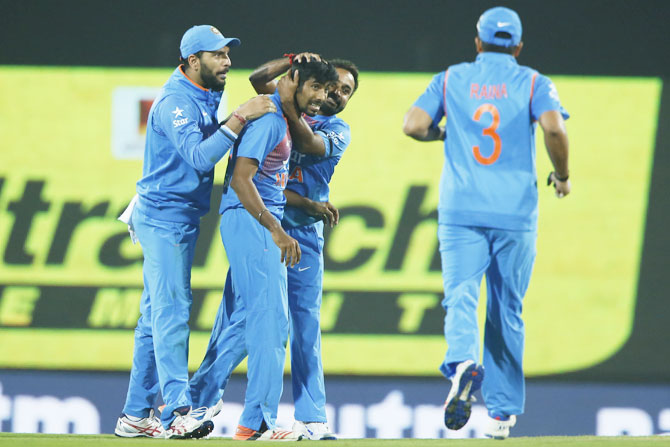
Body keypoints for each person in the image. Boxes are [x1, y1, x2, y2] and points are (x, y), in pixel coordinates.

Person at [403, 6, 570, 440]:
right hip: (515, 212)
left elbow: (413, 124)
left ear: (477, 43)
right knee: (506, 309)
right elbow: (554, 130)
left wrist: (446, 133)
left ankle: (461, 363)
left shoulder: (452, 77)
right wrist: (563, 175)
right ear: (517, 46)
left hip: (461, 210)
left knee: (460, 295)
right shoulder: (534, 81)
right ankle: (501, 415)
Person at [114, 25, 276, 439]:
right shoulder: (175, 103)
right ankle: (179, 410)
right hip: (161, 219)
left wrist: (233, 117)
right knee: (171, 312)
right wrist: (240, 118)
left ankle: (135, 415)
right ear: (192, 61)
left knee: (154, 318)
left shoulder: (204, 90)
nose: (227, 62)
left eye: (227, 54)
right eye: (218, 55)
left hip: (178, 216)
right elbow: (200, 158)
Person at [188, 58, 339, 441]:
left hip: (256, 221)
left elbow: (266, 179)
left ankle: (211, 407)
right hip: (253, 221)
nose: (323, 97)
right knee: (271, 322)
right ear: (294, 83)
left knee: (261, 321)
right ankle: (257, 424)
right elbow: (241, 180)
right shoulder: (272, 119)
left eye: (329, 90)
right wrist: (276, 229)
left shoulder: (284, 118)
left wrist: (304, 209)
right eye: (316, 88)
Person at [246, 53, 359, 440]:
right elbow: (257, 78)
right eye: (334, 86)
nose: (338, 94)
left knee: (305, 327)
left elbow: (310, 145)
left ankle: (311, 418)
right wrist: (289, 62)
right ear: (317, 84)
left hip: (304, 237)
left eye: (346, 91)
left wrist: (286, 102)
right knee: (239, 326)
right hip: (263, 229)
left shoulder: (336, 128)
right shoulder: (290, 107)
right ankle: (200, 405)